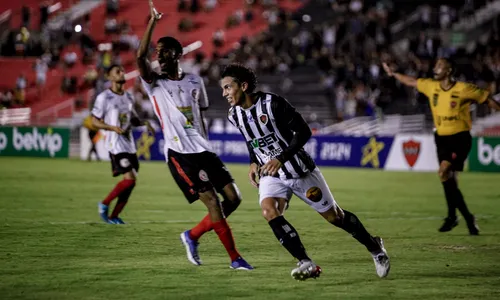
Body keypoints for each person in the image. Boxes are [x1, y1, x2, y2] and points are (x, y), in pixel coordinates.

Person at [220, 63, 390, 281]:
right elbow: (250, 139)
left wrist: (280, 158)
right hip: (271, 173)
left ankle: (375, 248)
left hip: (298, 169)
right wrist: (253, 161)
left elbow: (303, 132)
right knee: (269, 211)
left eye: (228, 87)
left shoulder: (273, 104)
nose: (224, 93)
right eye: (223, 88)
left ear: (243, 86)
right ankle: (305, 262)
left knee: (335, 217)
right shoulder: (234, 115)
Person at [136, 0, 253, 270]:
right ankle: (235, 259)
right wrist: (152, 22)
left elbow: (199, 113)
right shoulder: (155, 83)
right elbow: (140, 58)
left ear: (177, 54)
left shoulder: (194, 81)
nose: (159, 56)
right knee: (212, 201)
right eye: (157, 52)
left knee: (233, 198)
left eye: (164, 52)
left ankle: (192, 235)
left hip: (204, 150)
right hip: (180, 154)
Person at [382, 58, 500, 235]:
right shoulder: (431, 86)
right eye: (435, 66)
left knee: (444, 172)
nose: (435, 69)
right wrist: (394, 74)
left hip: (460, 138)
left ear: (449, 70)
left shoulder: (463, 89)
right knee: (448, 178)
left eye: (439, 66)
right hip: (441, 138)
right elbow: (411, 81)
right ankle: (466, 218)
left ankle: (454, 216)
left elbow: (488, 99)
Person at [91, 64, 154, 224]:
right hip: (115, 144)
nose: (122, 73)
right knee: (130, 179)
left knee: (131, 183)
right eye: (117, 71)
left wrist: (144, 123)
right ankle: (104, 203)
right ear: (109, 77)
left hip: (129, 144)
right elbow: (94, 121)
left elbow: (132, 118)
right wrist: (110, 127)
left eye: (122, 70)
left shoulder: (129, 97)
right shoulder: (104, 97)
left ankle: (114, 216)